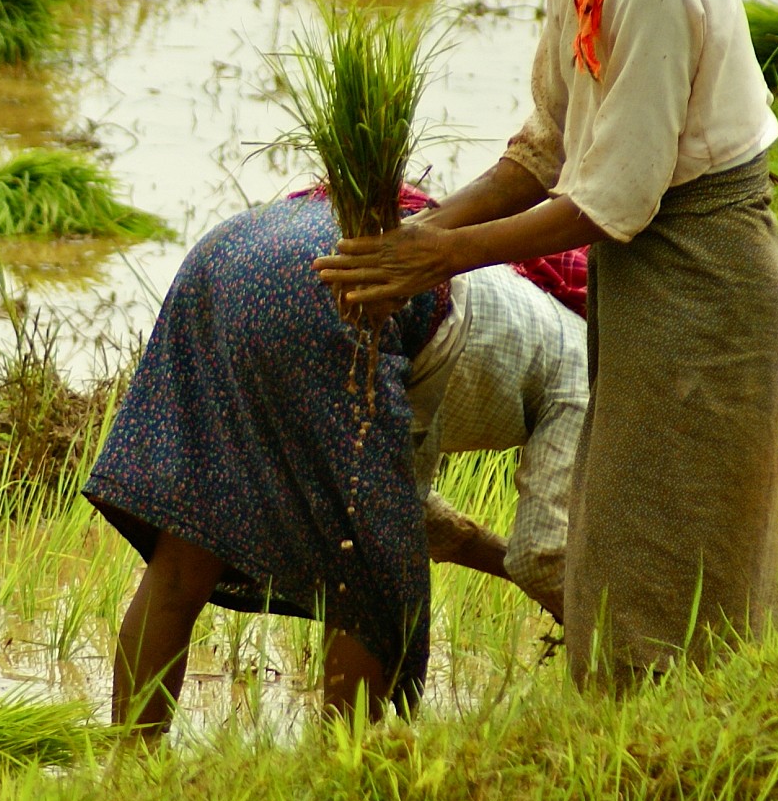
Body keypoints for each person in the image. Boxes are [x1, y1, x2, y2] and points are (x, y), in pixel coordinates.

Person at [316, 0, 778, 690]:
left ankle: (689, 768)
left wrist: (435, 258)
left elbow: (609, 199)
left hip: (708, 280)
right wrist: (417, 232)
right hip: (652, 277)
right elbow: (544, 148)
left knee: (671, 555)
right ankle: (663, 755)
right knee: (624, 545)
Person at [86, 189, 588, 737]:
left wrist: (481, 550)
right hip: (341, 288)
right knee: (364, 573)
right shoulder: (588, 362)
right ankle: (344, 767)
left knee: (184, 561)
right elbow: (544, 555)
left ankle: (129, 767)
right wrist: (604, 630)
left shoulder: (511, 289)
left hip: (231, 252)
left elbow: (412, 514)